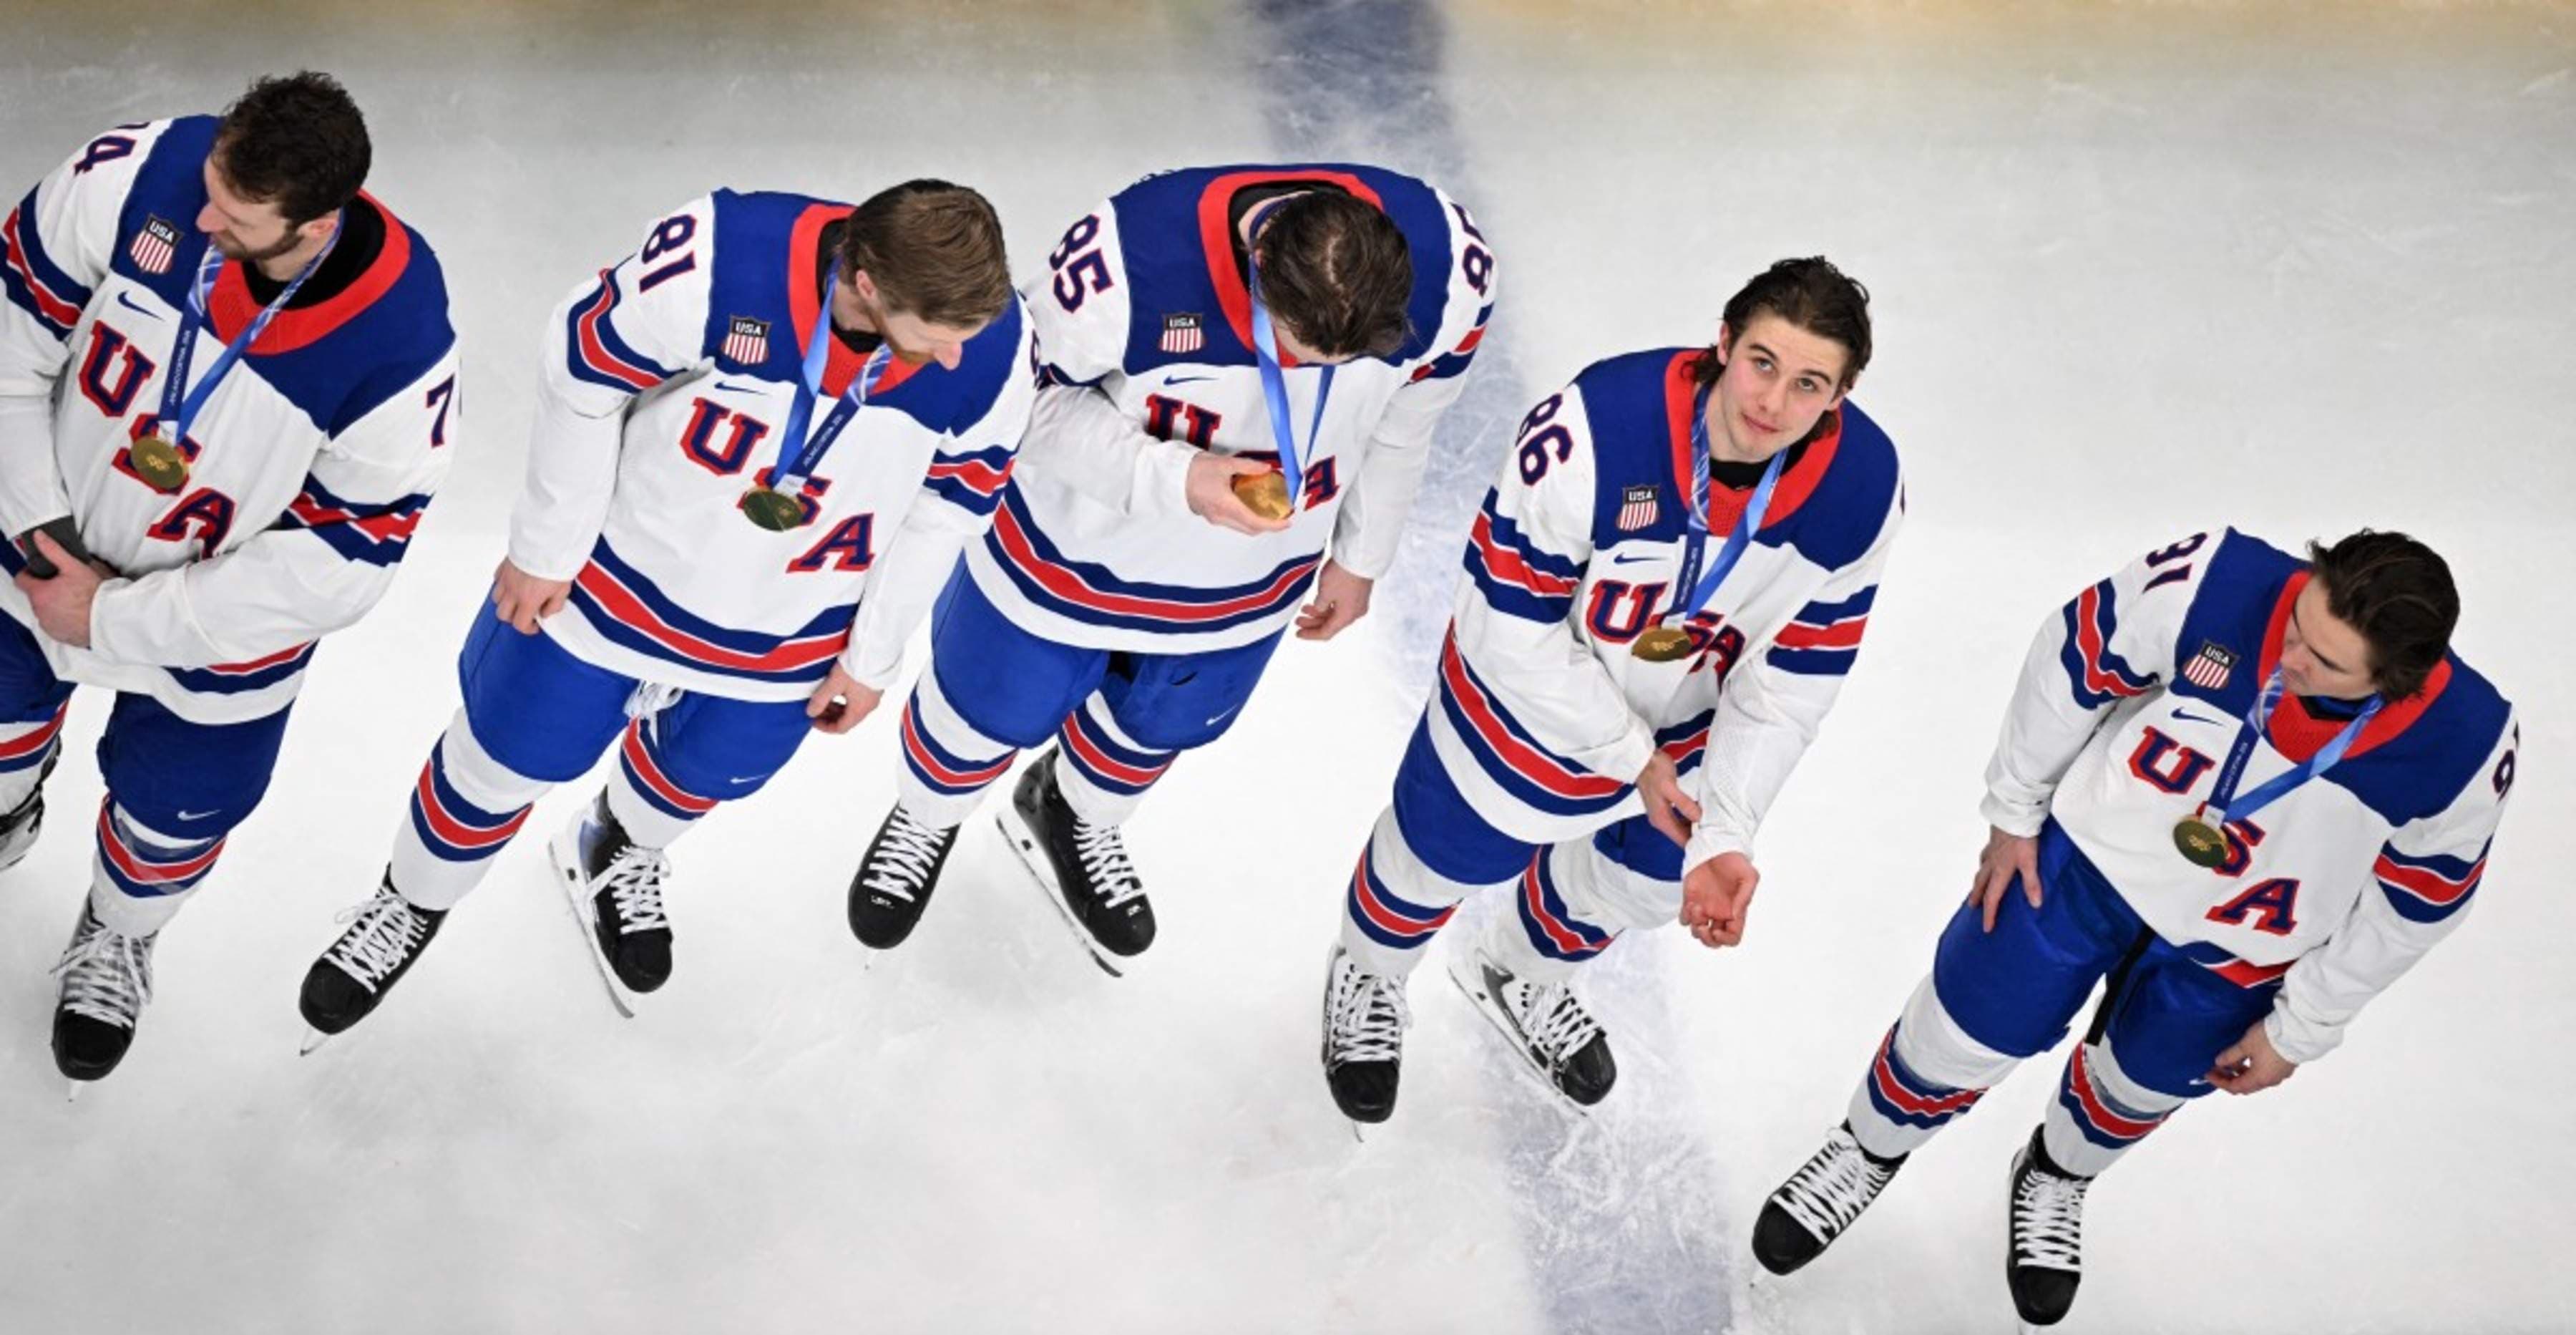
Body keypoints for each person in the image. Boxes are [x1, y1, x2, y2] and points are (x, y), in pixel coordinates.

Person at [295, 179, 1030, 1032]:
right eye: (934, 338)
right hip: (612, 589)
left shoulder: (992, 343)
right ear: (868, 283)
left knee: (701, 775)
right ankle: (411, 900)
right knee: (502, 755)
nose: (952, 360)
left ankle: (615, 848)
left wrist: (871, 656)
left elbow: (950, 508)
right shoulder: (721, 264)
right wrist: (546, 547)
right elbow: (581, 368)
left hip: (792, 628)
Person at [1748, 529, 2515, 1326]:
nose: (2291, 656)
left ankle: (2054, 1172)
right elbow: (2073, 657)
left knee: (2138, 1084)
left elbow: (2418, 903)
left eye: (2325, 662)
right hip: (2088, 862)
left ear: (2396, 683)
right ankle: (1867, 1147)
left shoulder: (2468, 743)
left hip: (2241, 946)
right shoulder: (2219, 581)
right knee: (1966, 1019)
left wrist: (2305, 1023)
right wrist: (2014, 813)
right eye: (2298, 624)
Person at [844, 164, 1494, 973]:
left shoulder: (1453, 271)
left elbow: (1406, 420)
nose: (1318, 375)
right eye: (1300, 350)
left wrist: (1362, 556)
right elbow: (1016, 404)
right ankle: (927, 814)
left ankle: (1071, 813)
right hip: (1069, 561)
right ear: (1260, 275)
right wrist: (1179, 479)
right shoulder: (1127, 264)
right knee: (983, 709)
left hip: (1247, 582)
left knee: (1158, 728)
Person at [1316, 258, 1903, 1124]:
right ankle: (1369, 968)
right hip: (1529, 710)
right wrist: (1633, 757)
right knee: (1440, 853)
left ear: (1840, 396)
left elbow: (1794, 678)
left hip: (1691, 728)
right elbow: (1501, 623)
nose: (1774, 400)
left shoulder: (1861, 491)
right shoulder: (1597, 429)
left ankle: (1518, 969)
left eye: (1809, 382)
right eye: (1762, 362)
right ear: (1723, 346)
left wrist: (1729, 827)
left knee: (1653, 875)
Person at [0, 72, 458, 1082]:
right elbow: (9, 328)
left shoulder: (402, 341)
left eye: (236, 218)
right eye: (210, 185)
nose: (200, 217)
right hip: (33, 547)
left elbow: (340, 568)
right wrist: (35, 516)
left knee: (174, 818)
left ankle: (117, 935)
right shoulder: (135, 175)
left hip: (211, 629)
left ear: (318, 222)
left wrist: (113, 617)